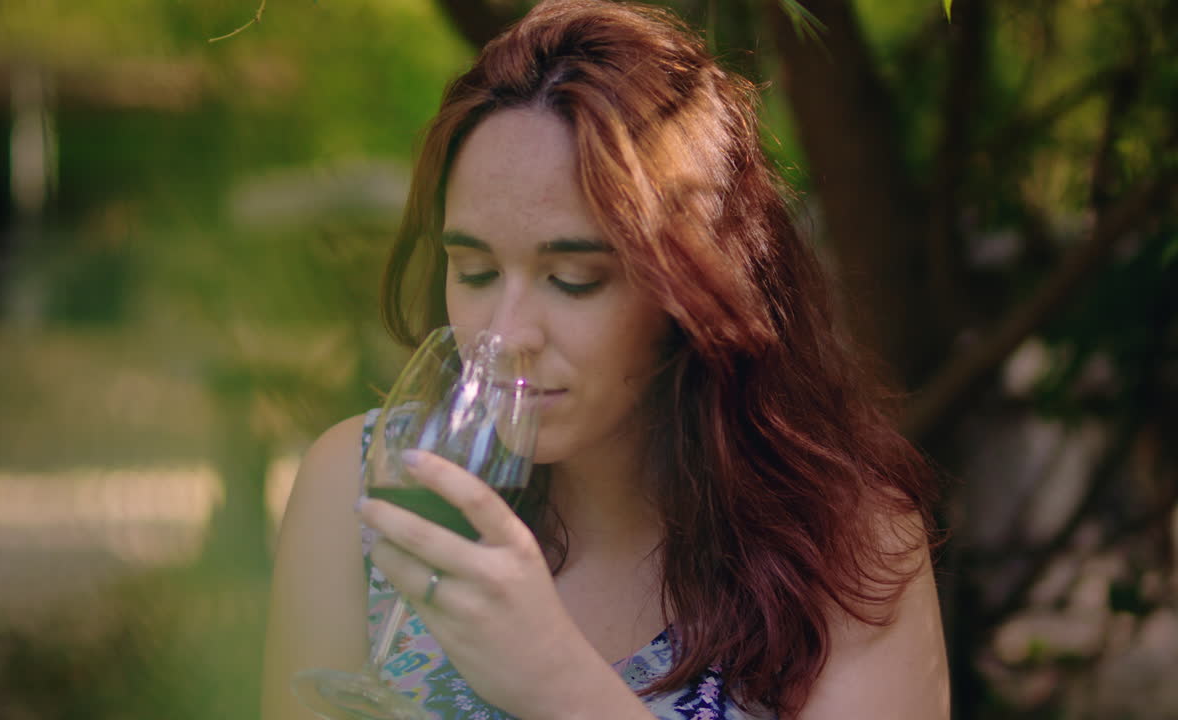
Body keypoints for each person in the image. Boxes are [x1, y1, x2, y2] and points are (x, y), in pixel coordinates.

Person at [261, 1, 950, 718]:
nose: (507, 332)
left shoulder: (846, 547)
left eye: (574, 279)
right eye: (474, 271)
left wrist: (558, 682)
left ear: (689, 286)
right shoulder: (364, 488)